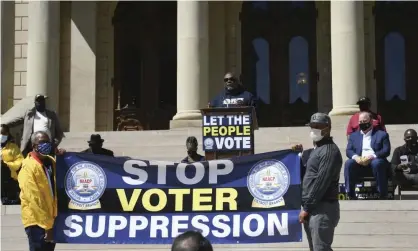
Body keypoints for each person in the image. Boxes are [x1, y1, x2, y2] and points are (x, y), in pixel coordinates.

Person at [300, 113, 342, 251]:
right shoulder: (316, 150)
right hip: (313, 207)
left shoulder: (329, 151)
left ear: (328, 128)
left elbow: (321, 182)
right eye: (312, 126)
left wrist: (307, 207)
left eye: (318, 126)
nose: (314, 129)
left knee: (321, 248)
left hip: (323, 207)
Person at [18, 131, 65, 251]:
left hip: (50, 219)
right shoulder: (28, 167)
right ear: (34, 146)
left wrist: (62, 157)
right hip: (36, 222)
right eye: (41, 142)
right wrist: (47, 227)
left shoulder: (50, 161)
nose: (45, 145)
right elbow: (34, 200)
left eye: (47, 142)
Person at [345, 112, 391, 199]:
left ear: (371, 121)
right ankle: (350, 194)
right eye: (360, 121)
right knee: (349, 163)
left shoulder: (382, 134)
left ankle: (382, 193)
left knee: (377, 163)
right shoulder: (353, 136)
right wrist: (356, 157)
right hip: (359, 162)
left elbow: (386, 151)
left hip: (375, 160)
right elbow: (349, 151)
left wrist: (372, 156)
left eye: (364, 121)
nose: (362, 123)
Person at [1, 124, 24, 204]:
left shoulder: (13, 147)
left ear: (8, 134)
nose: (1, 136)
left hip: (9, 174)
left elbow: (20, 160)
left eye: (3, 133)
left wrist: (7, 164)